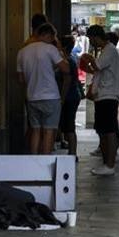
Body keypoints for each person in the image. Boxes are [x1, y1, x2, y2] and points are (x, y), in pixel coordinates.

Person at [16, 23, 70, 155]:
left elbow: (21, 79)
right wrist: (59, 50)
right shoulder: (50, 49)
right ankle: (45, 162)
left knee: (35, 130)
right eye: (53, 38)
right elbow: (66, 69)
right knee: (48, 131)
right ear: (48, 35)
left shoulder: (22, 52)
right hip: (50, 97)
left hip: (32, 97)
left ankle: (34, 161)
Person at [82, 25, 119, 176]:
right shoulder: (107, 50)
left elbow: (97, 66)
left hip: (108, 95)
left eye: (91, 39)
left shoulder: (110, 50)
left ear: (96, 37)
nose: (91, 42)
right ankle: (107, 163)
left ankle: (110, 164)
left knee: (108, 130)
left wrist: (89, 58)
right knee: (103, 130)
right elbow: (98, 70)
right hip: (103, 95)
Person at [58, 34, 82, 157]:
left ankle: (73, 153)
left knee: (69, 126)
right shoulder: (69, 59)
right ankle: (72, 152)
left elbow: (67, 81)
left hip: (69, 97)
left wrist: (61, 99)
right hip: (72, 96)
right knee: (68, 125)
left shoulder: (67, 60)